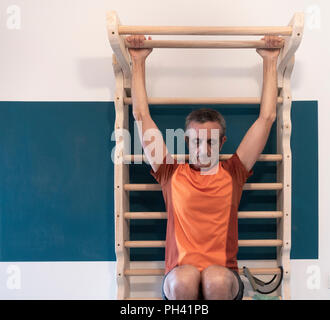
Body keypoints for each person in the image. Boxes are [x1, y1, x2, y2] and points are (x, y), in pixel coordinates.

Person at [126, 34, 284, 300]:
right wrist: (139, 60)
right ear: (187, 141)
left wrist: (269, 60)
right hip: (178, 276)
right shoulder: (171, 173)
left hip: (224, 276)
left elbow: (266, 118)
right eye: (197, 141)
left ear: (221, 142)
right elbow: (141, 116)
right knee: (185, 279)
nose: (203, 148)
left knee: (214, 279)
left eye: (211, 141)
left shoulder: (233, 172)